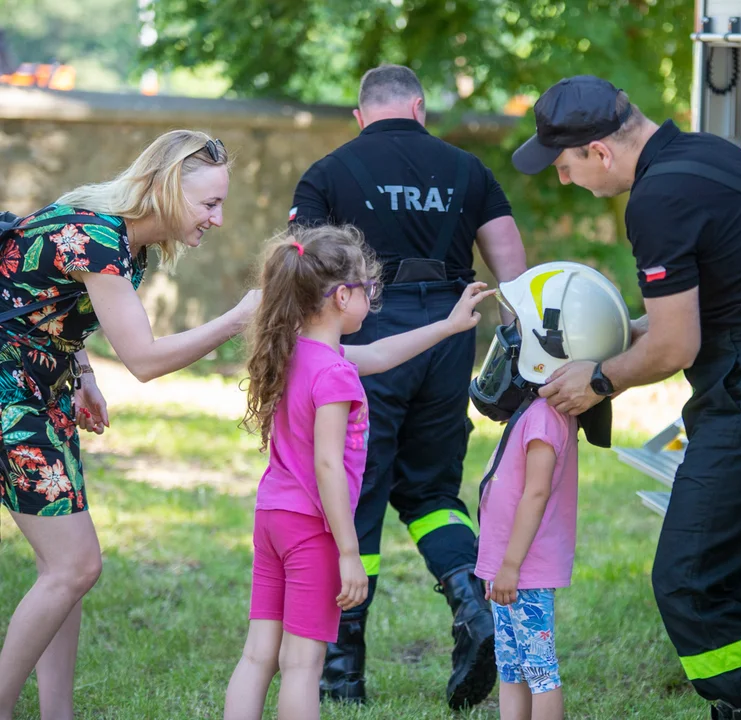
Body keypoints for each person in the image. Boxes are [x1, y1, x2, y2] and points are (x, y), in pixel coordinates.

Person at [510, 76, 741, 720]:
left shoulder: (658, 199)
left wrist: (598, 381)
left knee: (687, 578)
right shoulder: (709, 155)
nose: (564, 180)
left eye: (566, 165)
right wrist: (604, 344)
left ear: (601, 152)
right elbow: (697, 308)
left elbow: (674, 347)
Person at [289, 62, 528, 709]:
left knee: (357, 487)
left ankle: (342, 674)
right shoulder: (467, 170)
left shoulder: (330, 171)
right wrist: (518, 341)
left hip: (369, 334)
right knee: (431, 490)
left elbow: (300, 264)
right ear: (420, 108)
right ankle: (474, 605)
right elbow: (512, 268)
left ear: (361, 114)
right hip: (451, 333)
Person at [0, 130, 261, 720]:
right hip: (10, 393)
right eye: (209, 204)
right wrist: (238, 317)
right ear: (167, 190)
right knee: (75, 565)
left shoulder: (121, 241)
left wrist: (81, 366)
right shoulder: (98, 237)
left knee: (62, 570)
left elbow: (39, 297)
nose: (218, 219)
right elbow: (143, 361)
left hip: (40, 387)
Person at [222, 223, 494, 720]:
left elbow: (382, 354)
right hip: (312, 528)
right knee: (303, 664)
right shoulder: (334, 374)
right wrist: (350, 551)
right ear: (342, 297)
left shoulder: (299, 354)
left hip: (274, 518)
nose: (373, 298)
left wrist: (449, 325)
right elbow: (327, 464)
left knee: (260, 653)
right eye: (370, 289)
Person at [468, 261, 631, 720]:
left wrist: (511, 567)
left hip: (523, 572)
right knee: (512, 666)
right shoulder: (540, 409)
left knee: (538, 669)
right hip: (506, 567)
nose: (511, 338)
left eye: (520, 328)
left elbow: (535, 495)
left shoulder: (544, 419)